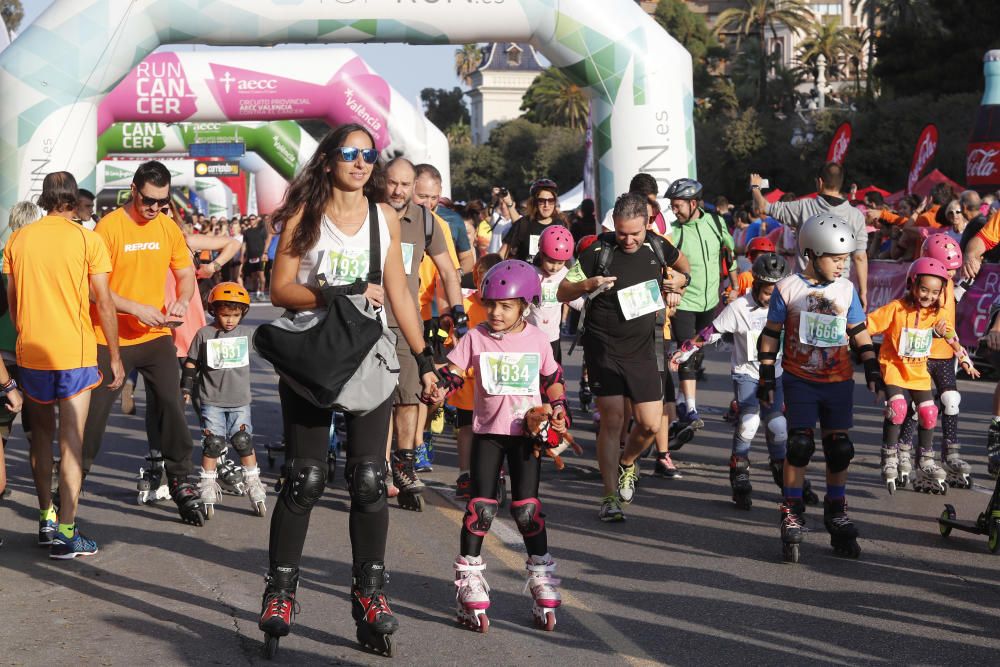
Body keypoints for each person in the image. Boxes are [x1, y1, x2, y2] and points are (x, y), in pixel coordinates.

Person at [258, 123, 438, 657]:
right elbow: (279, 289)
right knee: (305, 477)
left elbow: (401, 294)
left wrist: (425, 359)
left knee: (368, 477)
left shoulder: (384, 219)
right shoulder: (303, 217)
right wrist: (342, 292)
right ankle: (281, 592)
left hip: (368, 356)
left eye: (368, 155)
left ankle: (370, 596)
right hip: (313, 353)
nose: (361, 163)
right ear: (329, 159)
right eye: (350, 154)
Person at [432, 259, 568, 633]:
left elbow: (553, 379)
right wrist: (440, 388)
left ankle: (540, 574)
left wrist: (558, 409)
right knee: (481, 508)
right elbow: (454, 372)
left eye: (505, 305)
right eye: (490, 304)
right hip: (488, 433)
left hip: (525, 436)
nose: (495, 312)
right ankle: (469, 578)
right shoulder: (475, 337)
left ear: (525, 305)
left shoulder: (538, 339)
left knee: (527, 509)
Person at [80, 160, 207, 526]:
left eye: (162, 203)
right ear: (134, 191)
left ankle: (181, 480)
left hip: (155, 337)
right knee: (96, 416)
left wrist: (183, 298)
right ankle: (73, 479)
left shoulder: (167, 227)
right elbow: (93, 289)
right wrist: (135, 307)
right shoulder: (109, 227)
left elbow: (185, 274)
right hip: (110, 337)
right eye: (148, 201)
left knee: (172, 403)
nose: (154, 209)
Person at [4, 171, 122, 558]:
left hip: (33, 352)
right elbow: (103, 302)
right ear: (73, 200)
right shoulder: (88, 239)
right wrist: (116, 356)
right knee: (71, 443)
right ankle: (66, 535)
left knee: (39, 437)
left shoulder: (19, 238)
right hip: (75, 353)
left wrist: (27, 333)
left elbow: (14, 300)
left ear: (44, 199)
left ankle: (46, 520)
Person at [758, 213, 883, 563]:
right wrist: (767, 375)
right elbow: (770, 334)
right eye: (835, 259)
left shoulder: (846, 290)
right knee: (799, 445)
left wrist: (872, 367)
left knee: (839, 448)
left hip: (838, 380)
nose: (842, 266)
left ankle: (836, 508)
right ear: (811, 254)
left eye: (845, 259)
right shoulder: (787, 289)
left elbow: (859, 331)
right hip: (799, 379)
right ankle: (792, 508)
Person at [557, 192, 689, 522]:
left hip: (644, 348)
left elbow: (683, 269)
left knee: (647, 424)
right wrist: (590, 283)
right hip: (604, 346)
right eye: (621, 233)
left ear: (647, 223)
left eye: (634, 233)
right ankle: (609, 496)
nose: (627, 239)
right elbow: (562, 290)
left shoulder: (657, 246)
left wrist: (677, 284)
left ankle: (627, 463)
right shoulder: (597, 250)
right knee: (613, 419)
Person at [672, 253, 808, 509]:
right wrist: (687, 349)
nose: (772, 299)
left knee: (778, 426)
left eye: (777, 293)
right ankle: (740, 469)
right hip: (747, 373)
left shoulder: (788, 306)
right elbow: (712, 332)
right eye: (768, 293)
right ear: (756, 285)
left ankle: (783, 470)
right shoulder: (740, 307)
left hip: (776, 374)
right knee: (749, 421)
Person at [383, 157, 464, 506]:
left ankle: (402, 465)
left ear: (414, 185)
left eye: (405, 184)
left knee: (409, 395)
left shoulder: (426, 221)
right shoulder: (367, 212)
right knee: (376, 400)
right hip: (366, 317)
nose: (399, 191)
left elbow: (448, 269)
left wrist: (457, 310)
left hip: (406, 321)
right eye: (392, 183)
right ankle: (376, 467)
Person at [865, 257, 978, 495]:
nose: (928, 296)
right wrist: (848, 336)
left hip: (918, 371)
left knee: (928, 412)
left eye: (935, 293)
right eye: (924, 289)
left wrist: (964, 358)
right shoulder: (896, 309)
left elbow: (951, 336)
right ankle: (889, 455)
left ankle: (925, 459)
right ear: (912, 285)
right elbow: (867, 326)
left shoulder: (935, 316)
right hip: (894, 366)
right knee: (898, 407)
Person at [181, 281, 267, 519]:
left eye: (236, 315)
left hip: (240, 401)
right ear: (214, 311)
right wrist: (186, 387)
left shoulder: (246, 334)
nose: (230, 320)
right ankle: (208, 484)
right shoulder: (204, 334)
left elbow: (270, 348)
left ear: (243, 314)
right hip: (212, 400)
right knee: (214, 444)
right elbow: (191, 363)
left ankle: (253, 481)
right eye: (225, 314)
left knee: (243, 441)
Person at [894, 234, 973, 488]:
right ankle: (904, 451)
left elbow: (951, 308)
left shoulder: (948, 285)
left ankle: (950, 454)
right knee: (920, 408)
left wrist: (962, 353)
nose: (950, 275)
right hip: (923, 355)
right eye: (947, 270)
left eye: (953, 271)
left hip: (946, 354)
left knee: (951, 400)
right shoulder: (923, 287)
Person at [665, 178, 737, 444]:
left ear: (693, 203)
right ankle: (691, 408)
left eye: (678, 205)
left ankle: (684, 400)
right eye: (672, 206)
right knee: (687, 351)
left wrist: (736, 285)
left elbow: (729, 254)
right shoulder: (673, 230)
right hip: (684, 302)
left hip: (710, 301)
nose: (674, 210)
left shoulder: (716, 223)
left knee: (698, 352)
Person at [750, 164, 868, 308]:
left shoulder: (802, 207)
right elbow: (860, 257)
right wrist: (863, 292)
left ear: (819, 182)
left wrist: (755, 188)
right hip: (839, 290)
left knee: (800, 329)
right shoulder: (856, 216)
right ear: (841, 183)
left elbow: (763, 207)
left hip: (804, 289)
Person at [449, 253, 503, 498]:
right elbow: (453, 337)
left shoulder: (506, 307)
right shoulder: (464, 302)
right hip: (469, 378)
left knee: (495, 426)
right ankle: (465, 474)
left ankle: (496, 473)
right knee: (467, 426)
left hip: (496, 378)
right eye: (482, 282)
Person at [527, 225, 581, 365]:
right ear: (541, 253)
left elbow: (573, 299)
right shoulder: (531, 273)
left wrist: (592, 305)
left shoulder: (564, 274)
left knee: (553, 379)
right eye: (550, 261)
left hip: (552, 338)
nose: (555, 267)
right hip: (529, 337)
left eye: (560, 263)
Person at [413, 164, 474, 274]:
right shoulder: (398, 217)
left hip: (440, 287)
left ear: (440, 192)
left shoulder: (453, 220)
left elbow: (467, 258)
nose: (427, 204)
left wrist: (457, 274)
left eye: (434, 198)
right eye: (422, 196)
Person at [500, 179, 567, 262]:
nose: (546, 205)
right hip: (525, 273)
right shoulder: (523, 224)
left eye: (550, 201)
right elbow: (502, 254)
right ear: (534, 202)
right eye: (542, 201)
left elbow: (566, 257)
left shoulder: (560, 225)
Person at [241, 215, 268, 301]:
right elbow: (244, 244)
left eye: (253, 219)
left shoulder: (261, 230)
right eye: (250, 219)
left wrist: (265, 253)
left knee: (262, 276)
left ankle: (262, 293)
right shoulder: (247, 232)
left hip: (260, 256)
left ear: (256, 220)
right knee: (253, 277)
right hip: (250, 257)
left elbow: (266, 242)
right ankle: (257, 293)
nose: (251, 220)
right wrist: (242, 256)